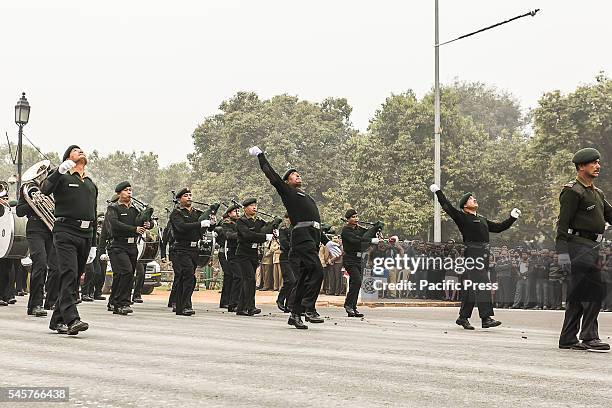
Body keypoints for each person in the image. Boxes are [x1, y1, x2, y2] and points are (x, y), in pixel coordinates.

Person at [249, 146, 342, 329]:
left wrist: (327, 241)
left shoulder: (306, 196)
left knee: (304, 278)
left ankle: (295, 314)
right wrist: (261, 156)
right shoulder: (288, 192)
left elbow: (314, 222)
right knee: (317, 270)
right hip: (302, 238)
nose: (297, 176)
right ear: (287, 181)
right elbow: (272, 175)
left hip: (312, 238)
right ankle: (309, 308)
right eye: (293, 175)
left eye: (298, 174)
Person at [430, 183, 519, 330]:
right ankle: (486, 318)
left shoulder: (482, 219)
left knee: (472, 287)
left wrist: (511, 218)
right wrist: (438, 192)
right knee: (482, 284)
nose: (474, 199)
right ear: (465, 205)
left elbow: (498, 227)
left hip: (483, 254)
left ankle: (463, 317)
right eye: (471, 199)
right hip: (473, 253)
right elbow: (447, 206)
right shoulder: (462, 217)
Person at [556, 148, 610, 351]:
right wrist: (562, 254)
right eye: (593, 163)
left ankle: (568, 338)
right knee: (596, 289)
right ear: (581, 167)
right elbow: (562, 225)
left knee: (579, 294)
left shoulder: (597, 193)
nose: (598, 166)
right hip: (577, 246)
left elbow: (609, 215)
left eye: (598, 162)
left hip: (592, 247)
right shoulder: (572, 191)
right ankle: (589, 336)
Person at [41, 145, 97, 335]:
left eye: (82, 150)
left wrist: (94, 245)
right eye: (75, 150)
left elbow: (94, 214)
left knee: (74, 278)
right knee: (69, 273)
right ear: (67, 158)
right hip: (65, 231)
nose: (80, 151)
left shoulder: (90, 183)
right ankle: (73, 319)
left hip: (86, 234)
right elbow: (45, 189)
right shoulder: (63, 177)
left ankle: (57, 320)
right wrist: (58, 171)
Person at [16, 175, 58, 317]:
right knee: (40, 264)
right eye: (41, 173)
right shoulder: (28, 188)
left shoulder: (53, 188)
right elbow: (19, 211)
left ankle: (51, 301)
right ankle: (35, 304)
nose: (43, 175)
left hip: (51, 229)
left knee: (55, 267)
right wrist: (34, 202)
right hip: (35, 228)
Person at [169, 188, 215, 316]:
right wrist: (200, 224)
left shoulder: (197, 213)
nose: (189, 197)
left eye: (190, 195)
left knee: (189, 277)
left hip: (194, 249)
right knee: (188, 275)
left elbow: (208, 227)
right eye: (185, 195)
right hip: (181, 248)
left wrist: (212, 221)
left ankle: (181, 306)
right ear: (179, 199)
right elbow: (181, 227)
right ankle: (184, 306)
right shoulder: (176, 213)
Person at [234, 198, 279, 316]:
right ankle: (250, 307)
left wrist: (274, 223)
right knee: (250, 280)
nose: (254, 207)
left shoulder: (258, 221)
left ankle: (241, 308)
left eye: (255, 205)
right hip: (243, 253)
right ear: (245, 208)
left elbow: (265, 229)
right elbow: (248, 235)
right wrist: (264, 237)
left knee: (247, 281)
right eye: (251, 206)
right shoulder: (241, 221)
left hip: (253, 254)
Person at [341, 209, 382, 316]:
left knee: (355, 283)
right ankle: (348, 305)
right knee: (357, 281)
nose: (356, 219)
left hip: (359, 259)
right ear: (348, 219)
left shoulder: (359, 228)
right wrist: (371, 240)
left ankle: (353, 307)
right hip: (349, 259)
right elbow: (358, 240)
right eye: (353, 217)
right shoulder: (346, 231)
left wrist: (375, 227)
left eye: (356, 216)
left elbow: (367, 233)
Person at [276, 214, 296, 312]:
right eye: (288, 218)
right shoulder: (283, 229)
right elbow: (284, 243)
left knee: (294, 281)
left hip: (294, 258)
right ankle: (280, 299)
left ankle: (289, 304)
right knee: (290, 280)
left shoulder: (296, 229)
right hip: (285, 258)